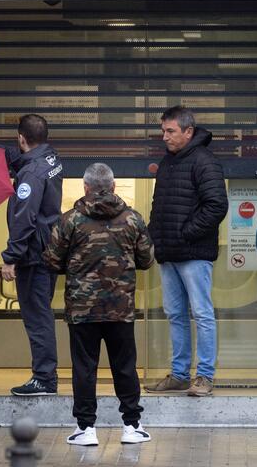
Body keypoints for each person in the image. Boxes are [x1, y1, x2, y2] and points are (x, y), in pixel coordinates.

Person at [43, 163, 154, 446]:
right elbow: (146, 260)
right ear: (113, 186)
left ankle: (86, 429)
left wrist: (77, 266)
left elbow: (52, 260)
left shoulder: (70, 221)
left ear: (86, 187)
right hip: (121, 308)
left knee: (84, 368)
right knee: (125, 367)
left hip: (83, 310)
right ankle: (132, 425)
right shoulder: (133, 219)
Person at [145, 106, 228, 397]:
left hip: (193, 254)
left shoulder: (204, 161)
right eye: (163, 131)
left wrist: (185, 233)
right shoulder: (168, 161)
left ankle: (204, 376)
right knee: (175, 314)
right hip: (169, 253)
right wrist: (156, 237)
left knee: (202, 314)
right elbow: (159, 206)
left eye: (170, 131)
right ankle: (180, 375)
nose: (164, 136)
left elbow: (217, 205)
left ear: (188, 131)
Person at [1, 114, 63, 396]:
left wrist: (11, 257)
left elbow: (24, 219)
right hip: (48, 249)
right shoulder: (50, 158)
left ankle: (44, 378)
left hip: (33, 256)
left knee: (38, 318)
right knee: (41, 313)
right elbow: (17, 157)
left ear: (21, 138)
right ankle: (45, 375)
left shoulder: (31, 174)